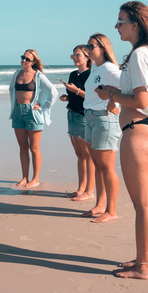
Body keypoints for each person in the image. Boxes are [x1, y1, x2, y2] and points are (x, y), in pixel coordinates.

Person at [97, 1, 148, 279]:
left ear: (135, 24)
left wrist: (111, 96)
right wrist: (116, 90)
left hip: (139, 133)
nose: (116, 27)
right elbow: (143, 96)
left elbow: (140, 100)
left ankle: (141, 267)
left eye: (120, 21)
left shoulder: (139, 55)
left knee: (143, 205)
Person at [82, 33, 121, 223]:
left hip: (104, 120)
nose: (87, 50)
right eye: (87, 47)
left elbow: (129, 87)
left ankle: (111, 210)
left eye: (91, 46)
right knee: (97, 165)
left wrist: (114, 100)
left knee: (107, 167)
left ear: (102, 48)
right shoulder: (96, 68)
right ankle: (100, 205)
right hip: (90, 117)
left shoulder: (109, 68)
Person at [9, 49, 59, 188]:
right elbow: (11, 90)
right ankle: (24, 177)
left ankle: (35, 178)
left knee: (34, 148)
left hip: (32, 114)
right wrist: (13, 104)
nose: (24, 60)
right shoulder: (16, 74)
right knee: (23, 147)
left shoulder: (38, 75)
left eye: (27, 59)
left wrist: (43, 107)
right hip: (17, 113)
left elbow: (53, 92)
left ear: (33, 62)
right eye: (23, 58)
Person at [59, 45, 95, 201]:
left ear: (87, 57)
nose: (74, 57)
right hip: (71, 114)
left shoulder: (91, 74)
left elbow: (94, 97)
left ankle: (89, 190)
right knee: (79, 155)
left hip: (83, 116)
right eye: (73, 55)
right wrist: (66, 97)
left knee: (88, 156)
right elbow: (73, 95)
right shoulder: (73, 74)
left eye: (77, 55)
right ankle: (81, 188)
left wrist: (76, 91)